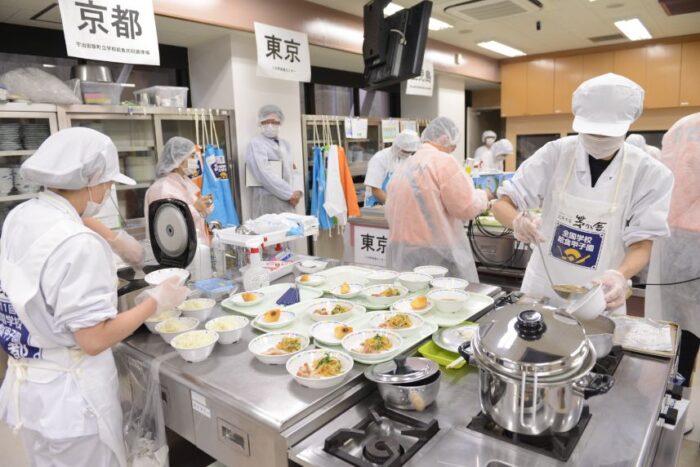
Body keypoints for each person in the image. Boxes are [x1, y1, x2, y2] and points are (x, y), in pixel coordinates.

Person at [0, 127, 189, 467]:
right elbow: (93, 338)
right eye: (107, 181)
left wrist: (114, 238)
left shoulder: (21, 215)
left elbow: (69, 225)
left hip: (30, 391)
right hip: (73, 402)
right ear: (88, 181)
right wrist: (156, 301)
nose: (109, 189)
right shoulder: (78, 245)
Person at [491, 73, 674, 313]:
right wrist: (516, 221)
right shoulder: (556, 154)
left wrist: (620, 276)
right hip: (543, 286)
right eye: (591, 131)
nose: (598, 139)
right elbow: (501, 204)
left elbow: (643, 243)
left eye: (606, 132)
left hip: (600, 292)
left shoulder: (650, 173)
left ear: (627, 126)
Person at [385, 117, 492, 282]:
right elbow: (466, 207)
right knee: (443, 301)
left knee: (411, 300)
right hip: (435, 252)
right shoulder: (443, 161)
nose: (452, 151)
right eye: (453, 147)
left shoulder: (404, 166)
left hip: (403, 250)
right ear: (444, 138)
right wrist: (484, 196)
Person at [645, 113, 700, 388]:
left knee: (676, 332)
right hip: (682, 244)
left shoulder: (680, 126)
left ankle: (673, 399)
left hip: (672, 243)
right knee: (683, 332)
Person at [144, 136, 213, 247]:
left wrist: (203, 206)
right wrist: (196, 208)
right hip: (176, 253)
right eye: (192, 156)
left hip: (193, 249)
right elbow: (168, 225)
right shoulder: (162, 189)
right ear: (179, 159)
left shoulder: (183, 183)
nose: (196, 160)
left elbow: (193, 213)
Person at [245, 104, 302, 218]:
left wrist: (298, 192)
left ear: (280, 123)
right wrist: (290, 194)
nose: (270, 125)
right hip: (269, 204)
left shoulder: (285, 145)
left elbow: (293, 170)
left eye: (274, 122)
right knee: (272, 233)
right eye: (266, 121)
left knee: (289, 233)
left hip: (289, 203)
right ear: (260, 123)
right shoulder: (256, 144)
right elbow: (264, 174)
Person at [363, 130, 420, 206]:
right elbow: (375, 190)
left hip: (398, 205)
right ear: (397, 146)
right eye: (404, 151)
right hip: (377, 205)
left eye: (409, 152)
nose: (406, 154)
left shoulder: (409, 159)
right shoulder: (380, 158)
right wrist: (394, 206)